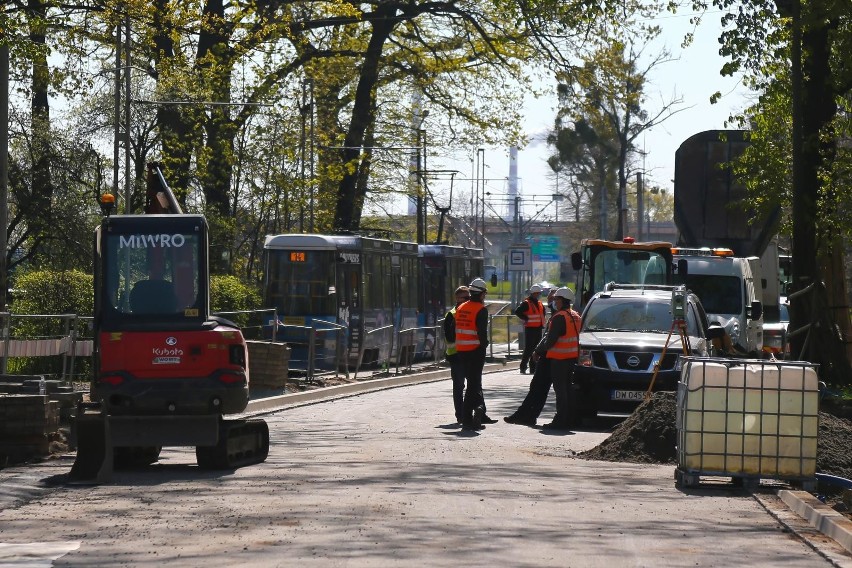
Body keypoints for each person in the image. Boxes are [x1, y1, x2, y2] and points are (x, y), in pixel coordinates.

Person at [504, 287, 582, 430]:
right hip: (569, 358)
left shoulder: (559, 316)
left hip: (556, 357)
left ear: (562, 300)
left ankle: (555, 420)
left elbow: (549, 339)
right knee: (564, 389)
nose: (553, 301)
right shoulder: (575, 315)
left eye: (556, 299)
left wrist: (537, 351)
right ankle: (563, 418)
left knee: (557, 390)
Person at [454, 277, 490, 430]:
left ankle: (477, 412)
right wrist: (485, 345)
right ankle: (469, 417)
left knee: (471, 383)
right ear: (481, 294)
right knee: (473, 385)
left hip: (461, 350)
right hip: (475, 350)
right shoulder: (481, 309)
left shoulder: (461, 307)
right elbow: (481, 333)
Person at [443, 285, 471, 424]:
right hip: (457, 355)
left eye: (469, 297)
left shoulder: (470, 311)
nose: (468, 300)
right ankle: (460, 415)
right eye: (465, 298)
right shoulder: (452, 314)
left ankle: (471, 413)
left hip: (470, 354)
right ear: (457, 298)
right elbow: (449, 336)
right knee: (459, 386)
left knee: (473, 385)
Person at [515, 284, 545, 374]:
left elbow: (542, 314)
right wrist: (526, 318)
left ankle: (533, 368)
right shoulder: (526, 303)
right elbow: (517, 311)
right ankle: (523, 367)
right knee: (529, 349)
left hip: (538, 328)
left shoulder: (539, 303)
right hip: (530, 329)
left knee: (536, 349)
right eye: (538, 293)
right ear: (534, 293)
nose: (539, 295)